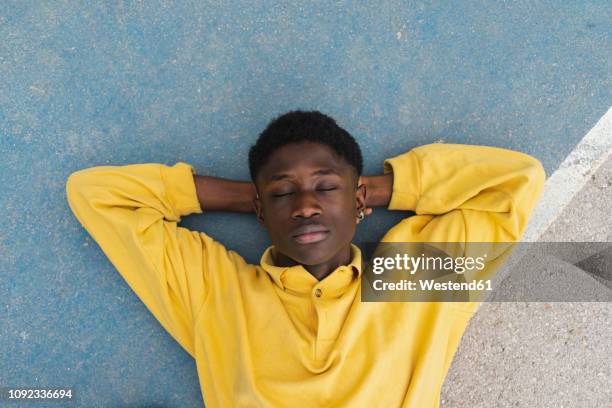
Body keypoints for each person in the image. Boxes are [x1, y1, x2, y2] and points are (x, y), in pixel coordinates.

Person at [66, 110, 545, 407]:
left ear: (358, 201)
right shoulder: (217, 291)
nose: (307, 206)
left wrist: (369, 190)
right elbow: (97, 194)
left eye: (325, 186)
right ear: (260, 209)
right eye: (284, 193)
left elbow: (514, 181)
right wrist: (252, 197)